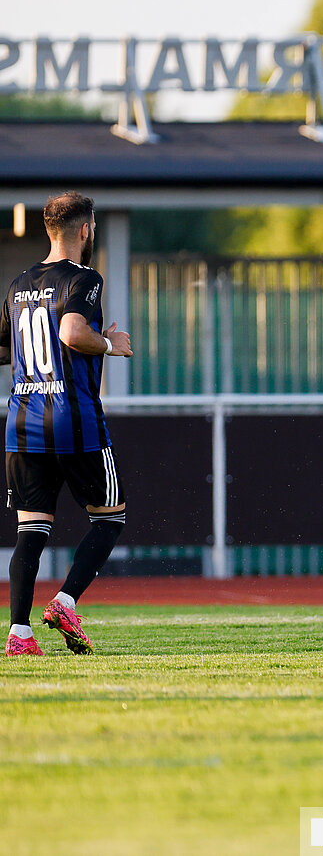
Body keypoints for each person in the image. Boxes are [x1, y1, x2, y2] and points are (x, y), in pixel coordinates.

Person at [4, 192, 133, 657]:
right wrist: (110, 343)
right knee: (110, 518)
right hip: (73, 420)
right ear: (85, 230)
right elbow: (71, 333)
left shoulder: (19, 284)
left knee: (31, 531)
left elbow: (4, 348)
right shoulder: (84, 278)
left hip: (22, 423)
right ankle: (63, 602)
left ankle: (19, 635)